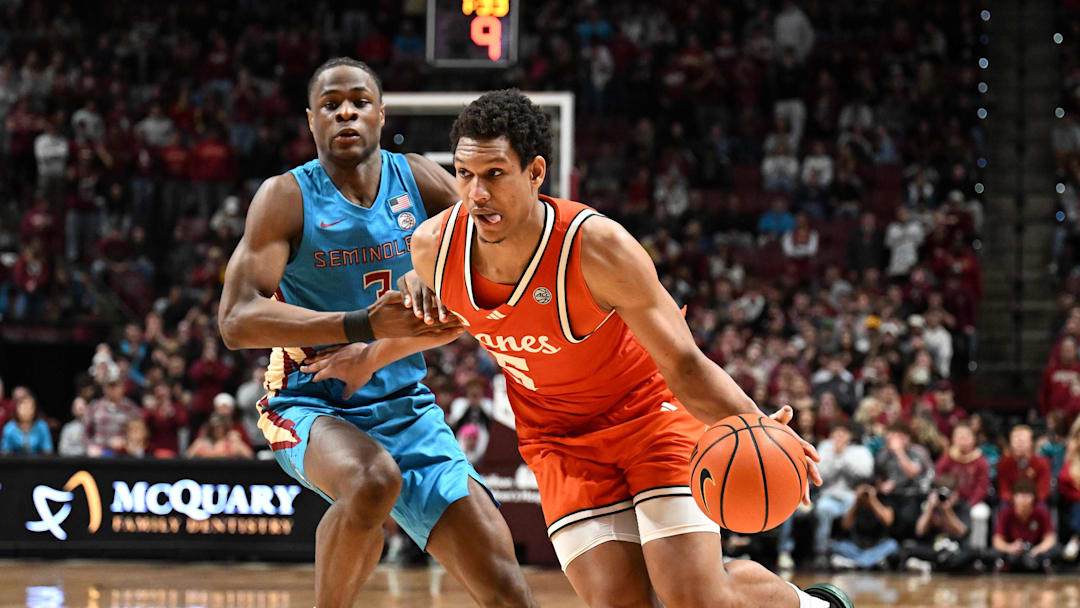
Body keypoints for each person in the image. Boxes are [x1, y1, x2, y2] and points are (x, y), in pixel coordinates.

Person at [310, 90, 850, 608]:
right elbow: (449, 321)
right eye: (465, 174)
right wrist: (368, 357)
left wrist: (758, 424)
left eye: (495, 175)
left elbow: (684, 363)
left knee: (693, 595)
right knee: (619, 602)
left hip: (649, 417)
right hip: (559, 439)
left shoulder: (598, 247)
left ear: (536, 173)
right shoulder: (433, 247)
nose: (476, 193)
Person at [217, 59, 535, 608]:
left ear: (381, 114)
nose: (346, 111)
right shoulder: (285, 197)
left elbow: (483, 287)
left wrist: (381, 342)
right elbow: (235, 321)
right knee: (372, 480)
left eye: (360, 101)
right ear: (311, 121)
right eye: (331, 103)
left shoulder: (419, 180)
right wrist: (360, 325)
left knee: (509, 592)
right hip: (308, 402)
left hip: (407, 405)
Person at [874, 422, 933, 540]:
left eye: (898, 437)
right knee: (878, 514)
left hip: (914, 493)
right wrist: (881, 486)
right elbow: (878, 475)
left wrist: (899, 451)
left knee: (907, 516)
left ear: (907, 437)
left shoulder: (919, 451)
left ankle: (908, 544)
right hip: (891, 495)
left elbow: (912, 472)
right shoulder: (883, 453)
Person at [992, 480, 1060, 573]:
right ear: (1013, 497)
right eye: (1019, 495)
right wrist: (1010, 547)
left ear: (1034, 497)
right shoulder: (1006, 513)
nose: (1023, 499)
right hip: (1012, 552)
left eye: (1027, 495)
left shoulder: (1040, 512)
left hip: (1035, 552)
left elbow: (1050, 538)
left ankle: (1044, 565)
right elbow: (997, 540)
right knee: (994, 553)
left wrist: (1038, 549)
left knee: (1057, 551)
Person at [829, 483, 899, 570]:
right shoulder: (855, 505)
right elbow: (845, 525)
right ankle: (871, 562)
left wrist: (873, 500)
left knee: (892, 545)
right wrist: (857, 501)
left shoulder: (882, 501)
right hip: (857, 547)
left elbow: (888, 521)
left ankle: (857, 563)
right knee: (837, 546)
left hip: (877, 546)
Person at [997, 424, 1051, 504]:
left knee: (1042, 507)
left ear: (1031, 443)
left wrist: (1029, 501)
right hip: (1011, 502)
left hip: (1035, 502)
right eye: (1015, 441)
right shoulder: (1004, 463)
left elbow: (1043, 491)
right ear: (1010, 443)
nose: (1019, 445)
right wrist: (1016, 501)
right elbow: (1003, 490)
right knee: (1003, 506)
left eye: (1022, 441)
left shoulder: (1042, 463)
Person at [186, 414, 254, 459]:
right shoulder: (200, 443)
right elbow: (187, 458)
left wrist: (238, 441)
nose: (218, 430)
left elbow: (250, 456)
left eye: (221, 427)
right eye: (215, 428)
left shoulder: (233, 443)